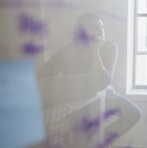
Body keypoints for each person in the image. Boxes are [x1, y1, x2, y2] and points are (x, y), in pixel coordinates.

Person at [38, 13, 141, 147]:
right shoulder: (67, 51)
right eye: (95, 28)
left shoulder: (110, 48)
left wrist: (95, 51)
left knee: (133, 112)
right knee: (80, 139)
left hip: (106, 95)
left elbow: (105, 81)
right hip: (77, 103)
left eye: (102, 28)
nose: (101, 31)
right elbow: (42, 75)